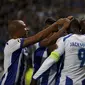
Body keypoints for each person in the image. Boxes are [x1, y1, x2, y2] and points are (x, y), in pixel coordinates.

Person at [0, 17, 72, 85]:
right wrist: (59, 25)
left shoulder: (22, 46)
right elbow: (38, 38)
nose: (27, 29)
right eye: (24, 27)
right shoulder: (11, 43)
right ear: (17, 31)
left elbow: (47, 41)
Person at [33, 18, 85, 85]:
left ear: (66, 30)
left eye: (54, 31)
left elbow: (51, 59)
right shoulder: (37, 45)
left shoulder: (64, 40)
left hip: (65, 81)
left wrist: (34, 78)